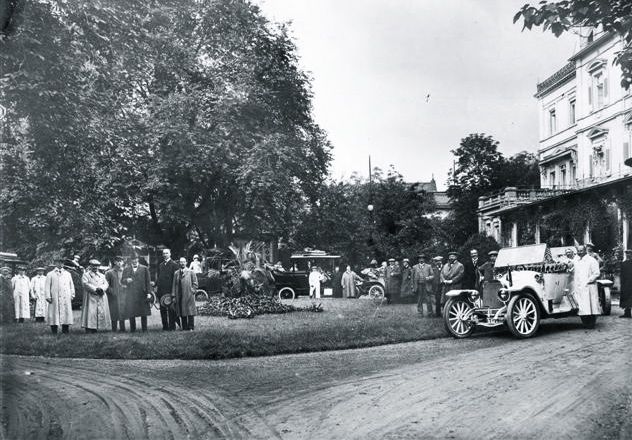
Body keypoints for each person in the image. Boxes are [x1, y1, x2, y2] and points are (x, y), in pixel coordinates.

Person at [121, 253, 152, 332]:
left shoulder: (144, 268)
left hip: (142, 293)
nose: (134, 261)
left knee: (143, 312)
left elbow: (147, 281)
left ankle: (144, 329)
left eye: (136, 259)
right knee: (131, 312)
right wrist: (126, 280)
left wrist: (149, 293)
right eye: (133, 259)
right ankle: (133, 329)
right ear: (131, 260)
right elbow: (122, 280)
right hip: (131, 294)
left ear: (138, 259)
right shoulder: (126, 269)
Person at [45, 257, 75, 334]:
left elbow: (71, 285)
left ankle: (65, 330)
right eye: (58, 262)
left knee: (66, 312)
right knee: (54, 313)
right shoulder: (50, 274)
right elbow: (47, 286)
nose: (60, 264)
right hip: (54, 296)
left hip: (65, 296)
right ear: (55, 263)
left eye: (62, 262)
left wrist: (72, 294)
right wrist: (48, 296)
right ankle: (54, 330)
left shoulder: (68, 274)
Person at [81, 259, 112, 333]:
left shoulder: (102, 275)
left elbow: (106, 283)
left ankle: (97, 327)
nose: (95, 267)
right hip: (90, 295)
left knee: (99, 311)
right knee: (90, 312)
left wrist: (101, 289)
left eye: (97, 266)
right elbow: (85, 284)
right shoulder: (86, 275)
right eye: (93, 266)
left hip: (100, 295)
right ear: (90, 266)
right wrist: (95, 289)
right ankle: (89, 328)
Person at [573, 245, 601, 326]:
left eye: (581, 251)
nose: (579, 252)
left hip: (589, 287)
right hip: (579, 287)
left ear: (585, 251)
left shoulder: (591, 260)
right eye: (578, 251)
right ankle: (585, 322)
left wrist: (588, 281)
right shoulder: (576, 261)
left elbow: (596, 273)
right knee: (582, 306)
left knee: (591, 305)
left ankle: (591, 323)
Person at [172, 257, 198, 331]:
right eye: (181, 262)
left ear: (186, 263)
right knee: (182, 310)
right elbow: (174, 284)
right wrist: (173, 295)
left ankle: (191, 326)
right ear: (179, 263)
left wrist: (192, 290)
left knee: (190, 310)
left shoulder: (191, 272)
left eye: (184, 262)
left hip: (188, 294)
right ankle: (184, 327)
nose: (182, 263)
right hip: (179, 294)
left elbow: (195, 283)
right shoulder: (176, 273)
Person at [157, 248, 180, 331]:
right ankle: (165, 326)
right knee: (162, 309)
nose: (165, 255)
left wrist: (174, 292)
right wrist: (155, 284)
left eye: (166, 253)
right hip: (161, 290)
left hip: (170, 290)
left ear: (170, 254)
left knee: (171, 309)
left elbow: (176, 279)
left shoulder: (174, 265)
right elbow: (159, 277)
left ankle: (172, 326)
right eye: (163, 253)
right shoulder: (160, 265)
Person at [105, 256, 127, 332]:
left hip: (123, 295)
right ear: (114, 262)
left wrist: (125, 286)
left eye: (121, 261)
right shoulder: (109, 272)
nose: (120, 263)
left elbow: (127, 282)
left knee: (122, 311)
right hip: (113, 296)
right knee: (113, 311)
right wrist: (111, 291)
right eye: (118, 261)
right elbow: (106, 284)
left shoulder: (125, 271)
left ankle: (122, 328)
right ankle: (114, 329)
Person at [619, 249, 632, 318]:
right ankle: (627, 313)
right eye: (627, 254)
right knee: (625, 297)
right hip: (625, 283)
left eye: (629, 254)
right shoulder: (623, 263)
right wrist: (622, 283)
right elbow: (622, 274)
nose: (628, 255)